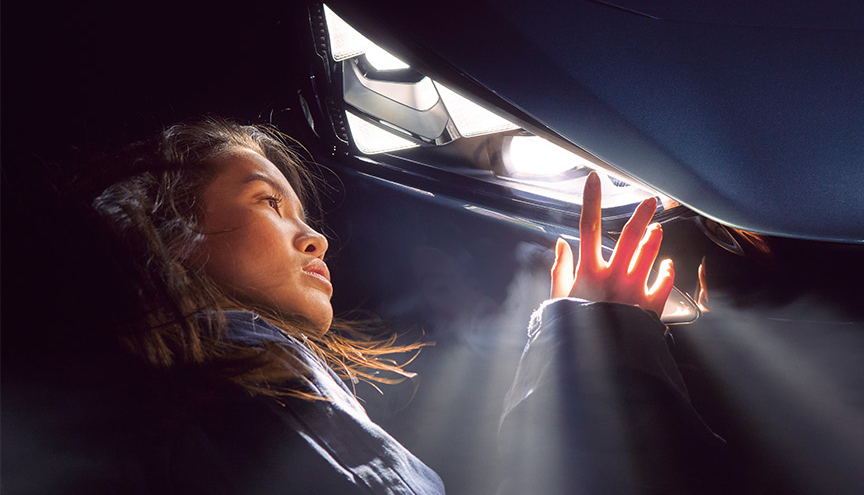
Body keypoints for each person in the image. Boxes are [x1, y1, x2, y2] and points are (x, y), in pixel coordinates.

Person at [19, 117, 725, 494]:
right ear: (172, 236)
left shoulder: (206, 401)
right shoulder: (230, 401)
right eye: (269, 203)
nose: (315, 236)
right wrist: (595, 347)